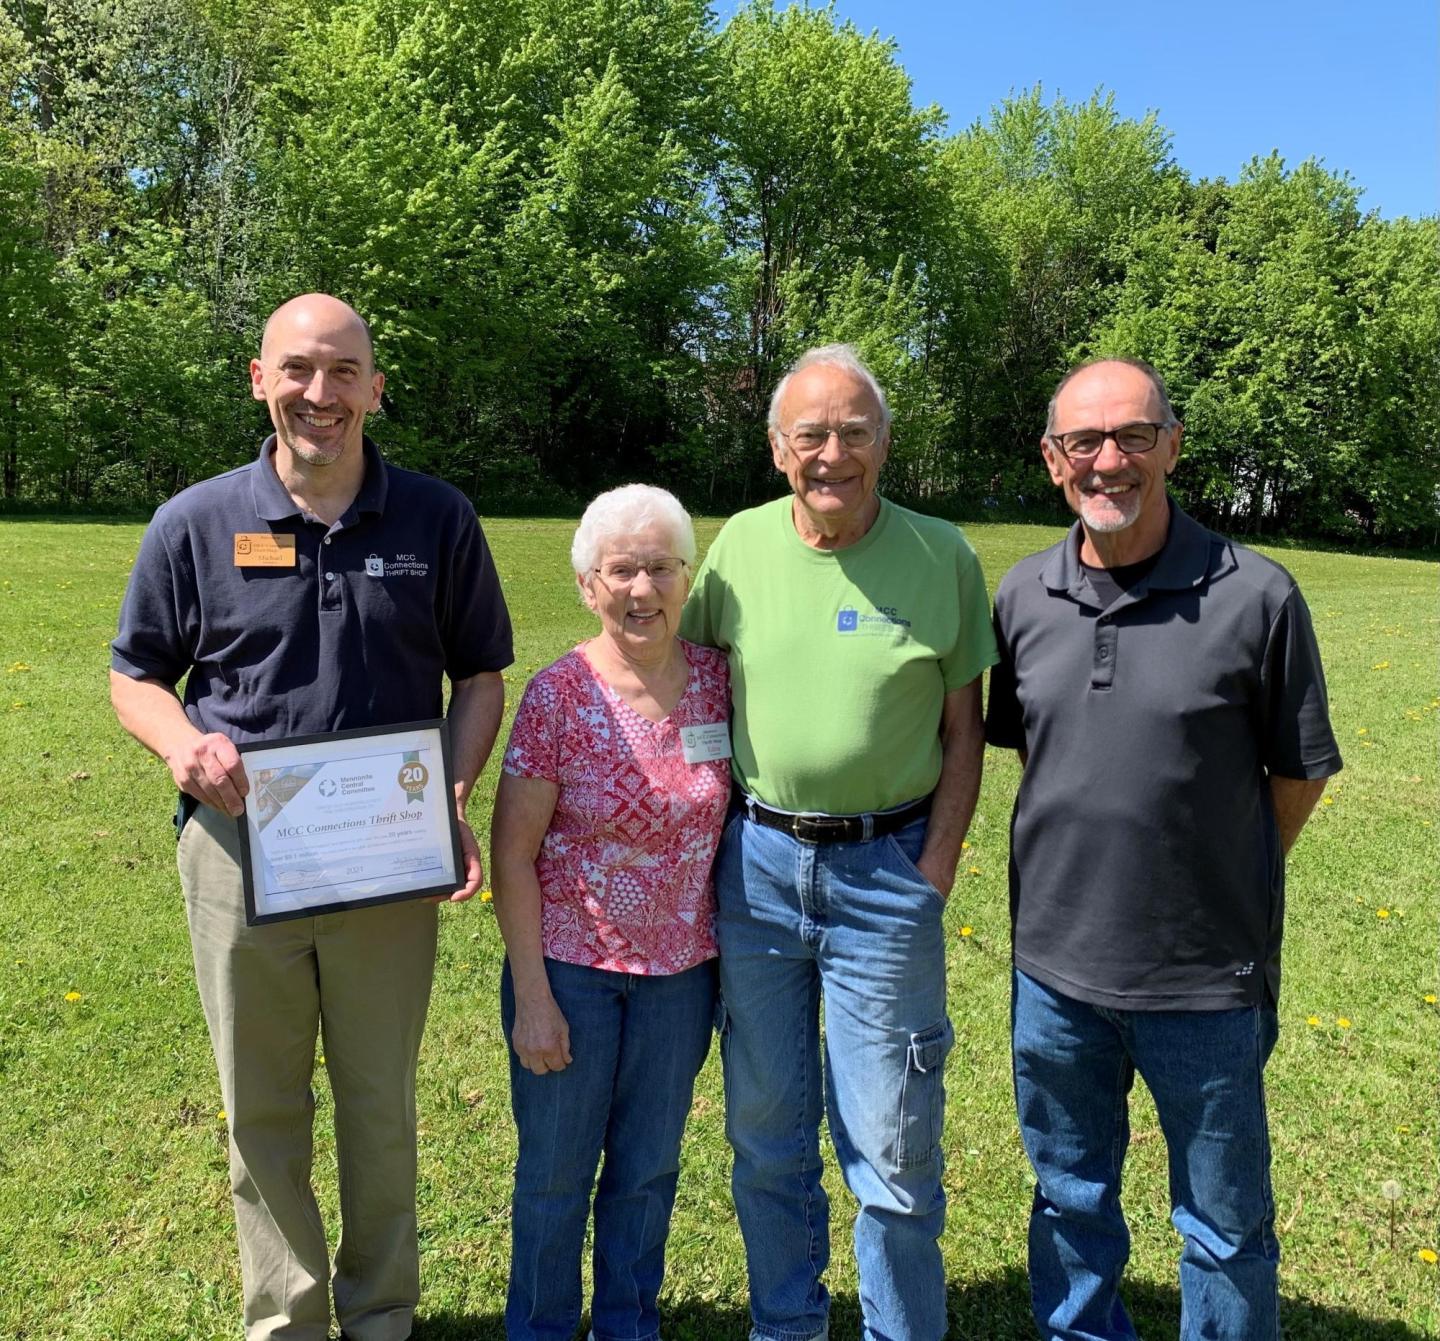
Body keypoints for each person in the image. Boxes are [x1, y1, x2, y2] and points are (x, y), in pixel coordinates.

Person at [109, 293, 512, 1341]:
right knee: (261, 1107)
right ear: (259, 379)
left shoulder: (437, 519)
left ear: (376, 388)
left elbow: (479, 676)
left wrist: (458, 793)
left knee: (380, 1106)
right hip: (240, 850)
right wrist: (179, 746)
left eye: (343, 372)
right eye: (297, 369)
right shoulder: (196, 522)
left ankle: (381, 1315)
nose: (319, 393)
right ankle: (285, 1319)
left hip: (387, 853)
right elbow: (136, 675)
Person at [985, 357, 1343, 1341]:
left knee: (1224, 1228)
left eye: (1133, 437)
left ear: (1172, 447)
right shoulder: (1022, 598)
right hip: (1054, 978)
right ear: (1054, 462)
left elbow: (1298, 771)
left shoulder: (1257, 596)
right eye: (1084, 443)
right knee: (1069, 1202)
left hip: (1206, 986)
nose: (1109, 461)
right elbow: (1040, 751)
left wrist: (1221, 868)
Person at [680, 345, 996, 1341]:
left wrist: (931, 873)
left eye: (854, 432)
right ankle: (789, 1326)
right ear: (778, 450)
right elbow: (685, 692)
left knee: (894, 1152)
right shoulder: (736, 547)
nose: (833, 454)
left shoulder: (943, 555)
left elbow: (964, 731)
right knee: (768, 1140)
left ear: (885, 442)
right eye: (810, 434)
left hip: (885, 873)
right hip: (759, 872)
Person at [490, 484, 729, 1341]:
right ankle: (543, 1328)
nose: (641, 589)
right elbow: (512, 854)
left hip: (681, 978)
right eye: (620, 570)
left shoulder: (717, 682)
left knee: (647, 1171)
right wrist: (533, 997)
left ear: (685, 577)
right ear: (589, 584)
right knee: (555, 1175)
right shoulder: (557, 695)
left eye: (659, 568)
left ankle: (629, 1325)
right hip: (570, 973)